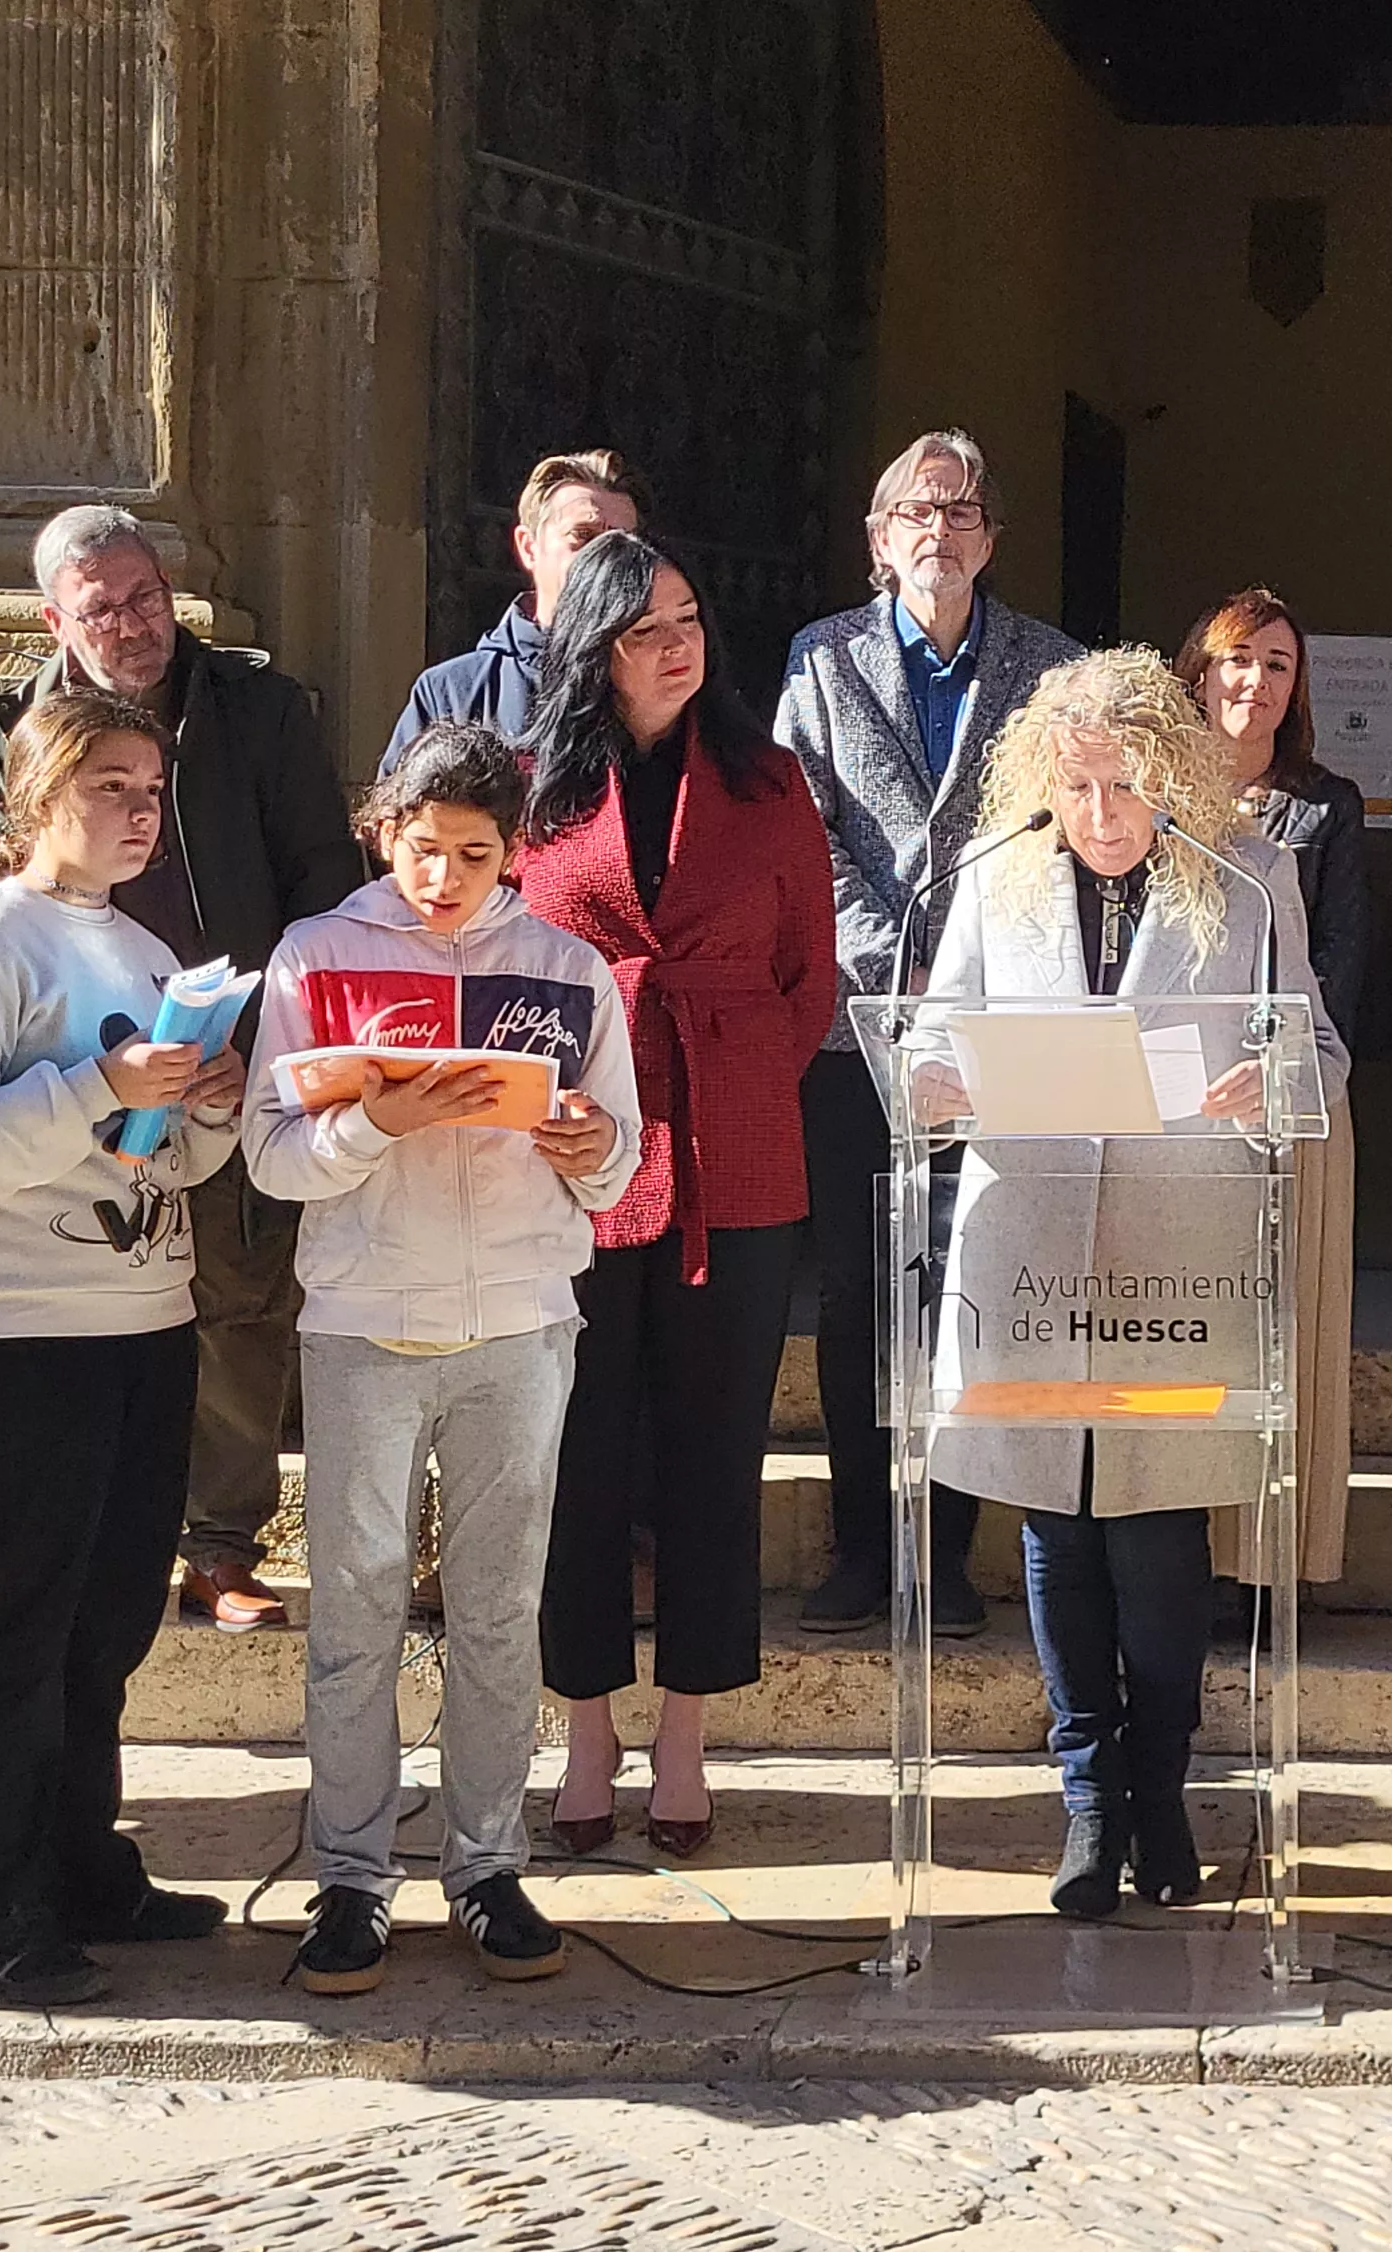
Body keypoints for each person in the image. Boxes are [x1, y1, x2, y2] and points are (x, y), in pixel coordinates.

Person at [912, 649, 1345, 1917]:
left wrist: (1275, 1088)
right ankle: (1088, 1801)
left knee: (1159, 1540)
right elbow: (933, 1029)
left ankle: (1161, 1783)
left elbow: (1313, 1044)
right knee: (1058, 1528)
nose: (1101, 816)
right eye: (1079, 788)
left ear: (1175, 776)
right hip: (1031, 1249)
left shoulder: (1251, 876)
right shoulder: (996, 877)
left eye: (1127, 787)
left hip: (1178, 1248)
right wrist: (931, 1087)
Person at [249, 722, 637, 1996]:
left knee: (496, 1604)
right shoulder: (318, 953)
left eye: (475, 855)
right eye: (424, 851)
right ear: (385, 833)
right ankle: (351, 1875)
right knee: (354, 1607)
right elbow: (268, 1154)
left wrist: (591, 1149)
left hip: (518, 1317)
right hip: (363, 1317)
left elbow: (620, 1155)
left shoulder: (565, 965)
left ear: (511, 852)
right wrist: (374, 1119)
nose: (446, 879)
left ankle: (486, 1861)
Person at [0, 690, 249, 2007]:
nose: (140, 811)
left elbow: (178, 1155)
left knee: (103, 1627)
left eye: (153, 789)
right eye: (111, 786)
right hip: (19, 1334)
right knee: (11, 1634)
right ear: (38, 792)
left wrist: (203, 1103)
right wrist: (105, 1086)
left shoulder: (149, 951)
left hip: (143, 1319)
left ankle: (83, 1866)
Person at [0, 505, 362, 1638]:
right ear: (54, 618)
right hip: (81, 1065)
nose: (132, 626)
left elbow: (322, 881)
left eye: (145, 599)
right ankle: (110, 1529)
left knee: (239, 1296)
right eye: (100, 610)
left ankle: (220, 1542)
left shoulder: (260, 709)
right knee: (96, 1298)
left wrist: (261, 1030)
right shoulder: (9, 731)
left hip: (233, 1046)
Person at [512, 533, 835, 1861]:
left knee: (714, 1448)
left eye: (691, 619)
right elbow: (509, 959)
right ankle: (586, 1723)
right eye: (647, 629)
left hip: (738, 1156)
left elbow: (811, 978)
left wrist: (739, 1064)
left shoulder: (770, 784)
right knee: (577, 1453)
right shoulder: (533, 791)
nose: (677, 644)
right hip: (575, 1159)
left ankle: (688, 1727)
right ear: (593, 646)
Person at [776, 430, 1084, 1635]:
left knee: (974, 1277)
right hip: (860, 1033)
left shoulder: (1049, 666)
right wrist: (890, 976)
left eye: (960, 512)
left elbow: (1057, 837)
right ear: (876, 538)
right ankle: (862, 1545)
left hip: (999, 1024)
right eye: (914, 512)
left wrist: (966, 981)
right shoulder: (822, 658)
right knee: (858, 1292)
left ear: (991, 538)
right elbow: (806, 832)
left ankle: (946, 1550)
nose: (937, 533)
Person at [1175, 587, 1358, 1589]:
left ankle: (1265, 1568)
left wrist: (1280, 1073)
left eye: (1278, 664)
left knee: (1280, 1339)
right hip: (1173, 1112)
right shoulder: (1139, 793)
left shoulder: (1322, 807)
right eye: (1237, 659)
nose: (1254, 681)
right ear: (1198, 670)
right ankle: (1178, 1557)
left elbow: (1340, 965)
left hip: (1291, 1100)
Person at [389, 450, 652, 757]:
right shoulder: (450, 695)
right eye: (583, 536)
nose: (604, 557)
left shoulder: (664, 680)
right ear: (529, 548)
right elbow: (404, 805)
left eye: (621, 542)